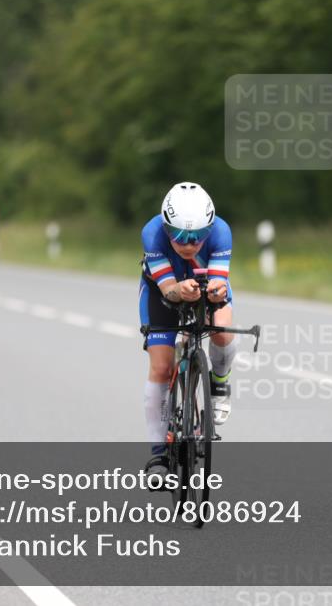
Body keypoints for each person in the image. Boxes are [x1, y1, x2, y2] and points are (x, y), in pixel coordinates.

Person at [139, 182, 236, 479]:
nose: (189, 243)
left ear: (210, 228)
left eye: (198, 237)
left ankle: (219, 382)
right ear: (167, 228)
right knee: (161, 368)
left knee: (222, 330)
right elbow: (168, 290)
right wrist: (178, 291)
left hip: (204, 285)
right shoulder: (152, 234)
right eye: (179, 235)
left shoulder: (221, 231)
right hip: (162, 291)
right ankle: (158, 457)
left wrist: (216, 294)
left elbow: (219, 281)